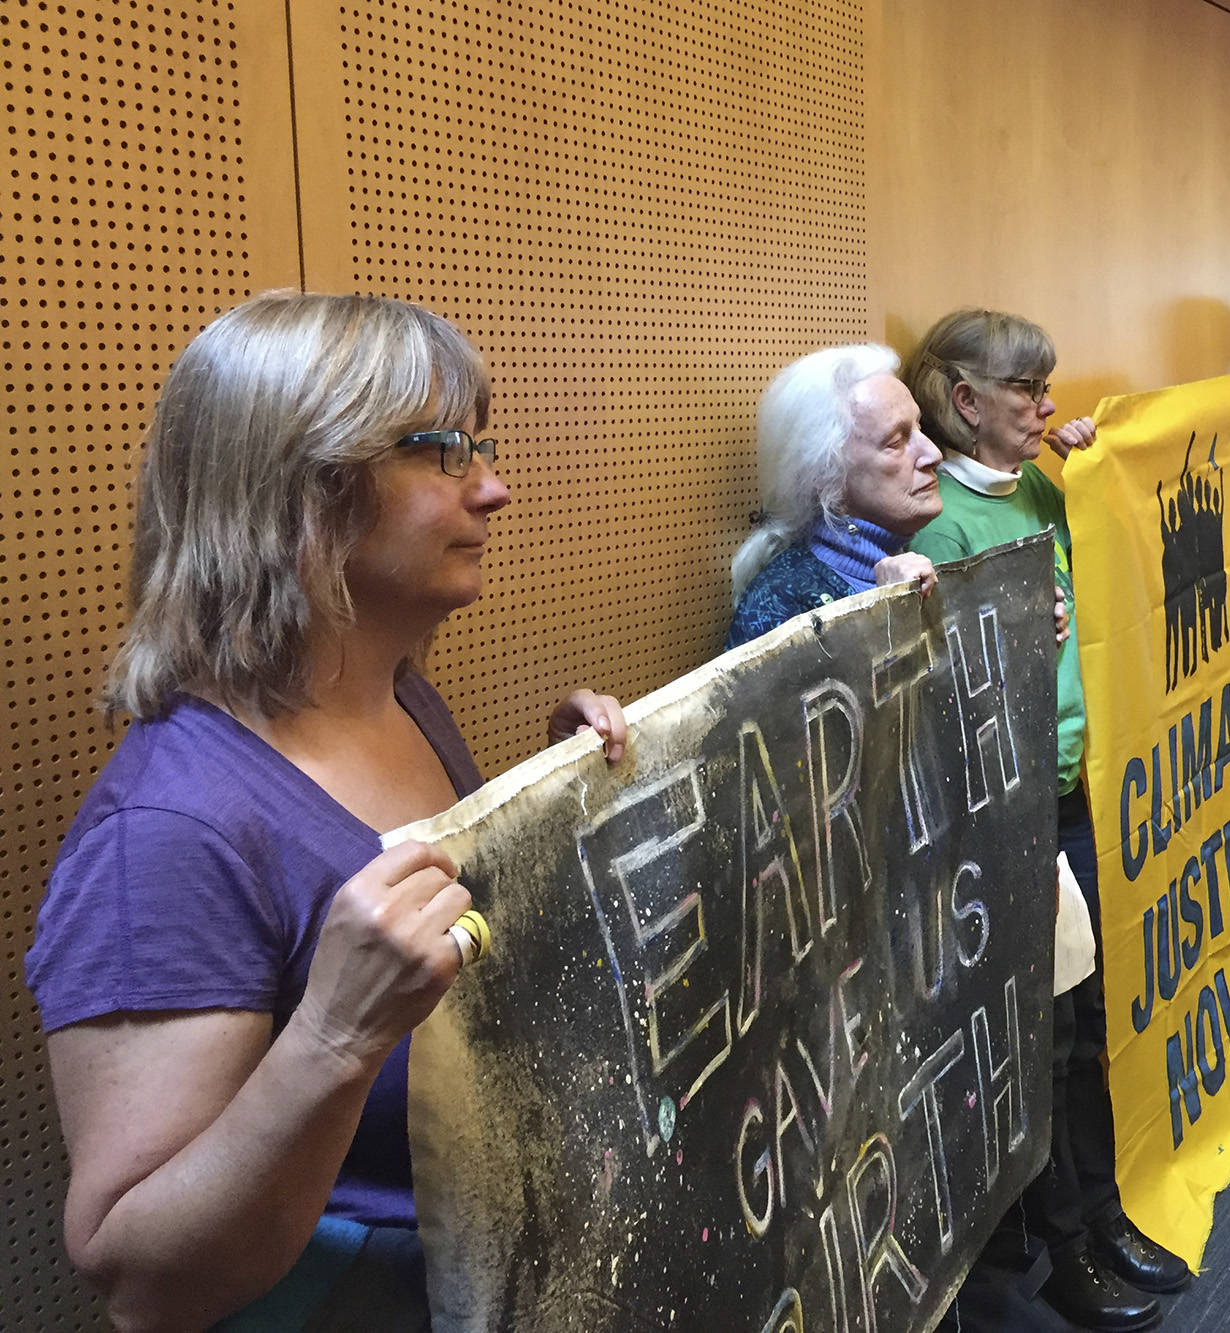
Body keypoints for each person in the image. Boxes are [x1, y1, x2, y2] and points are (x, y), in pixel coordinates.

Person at [24, 292, 631, 1330]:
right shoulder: (166, 835)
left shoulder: (398, 697)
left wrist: (550, 807)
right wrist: (333, 1036)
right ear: (300, 490)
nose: (494, 487)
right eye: (443, 451)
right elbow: (139, 1281)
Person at [900, 308, 1187, 1332]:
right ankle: (1063, 1246)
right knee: (1049, 1035)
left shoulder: (1029, 486)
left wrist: (1089, 469)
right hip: (1005, 807)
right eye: (1026, 390)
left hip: (1072, 783)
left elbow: (1106, 581)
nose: (1046, 405)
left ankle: (1101, 1215)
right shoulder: (939, 520)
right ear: (964, 399)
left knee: (1094, 1018)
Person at [727, 345, 943, 646]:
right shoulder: (784, 604)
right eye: (896, 442)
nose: (934, 454)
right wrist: (888, 613)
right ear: (825, 473)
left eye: (919, 428)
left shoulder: (906, 560)